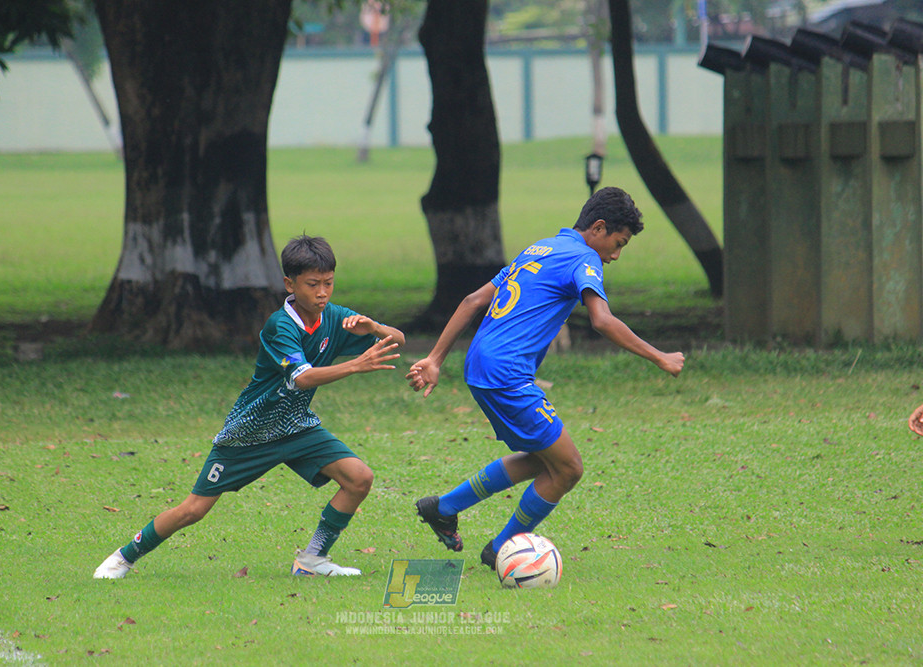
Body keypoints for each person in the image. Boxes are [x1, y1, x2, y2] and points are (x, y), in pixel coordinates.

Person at [94, 235, 405, 578]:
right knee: (194, 509)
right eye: (312, 284)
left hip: (296, 426)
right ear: (290, 284)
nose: (322, 293)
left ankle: (312, 560)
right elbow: (302, 377)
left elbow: (398, 340)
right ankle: (124, 557)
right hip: (250, 433)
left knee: (359, 478)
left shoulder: (334, 316)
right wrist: (356, 365)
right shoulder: (280, 326)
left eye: (328, 283)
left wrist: (375, 327)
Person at [406, 186, 684, 569]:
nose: (616, 255)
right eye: (618, 243)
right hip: (507, 374)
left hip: (481, 366)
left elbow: (473, 300)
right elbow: (602, 320)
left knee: (544, 460)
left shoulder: (541, 248)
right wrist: (659, 357)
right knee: (569, 469)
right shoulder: (585, 258)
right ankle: (501, 550)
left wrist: (436, 358)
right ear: (598, 228)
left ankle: (444, 508)